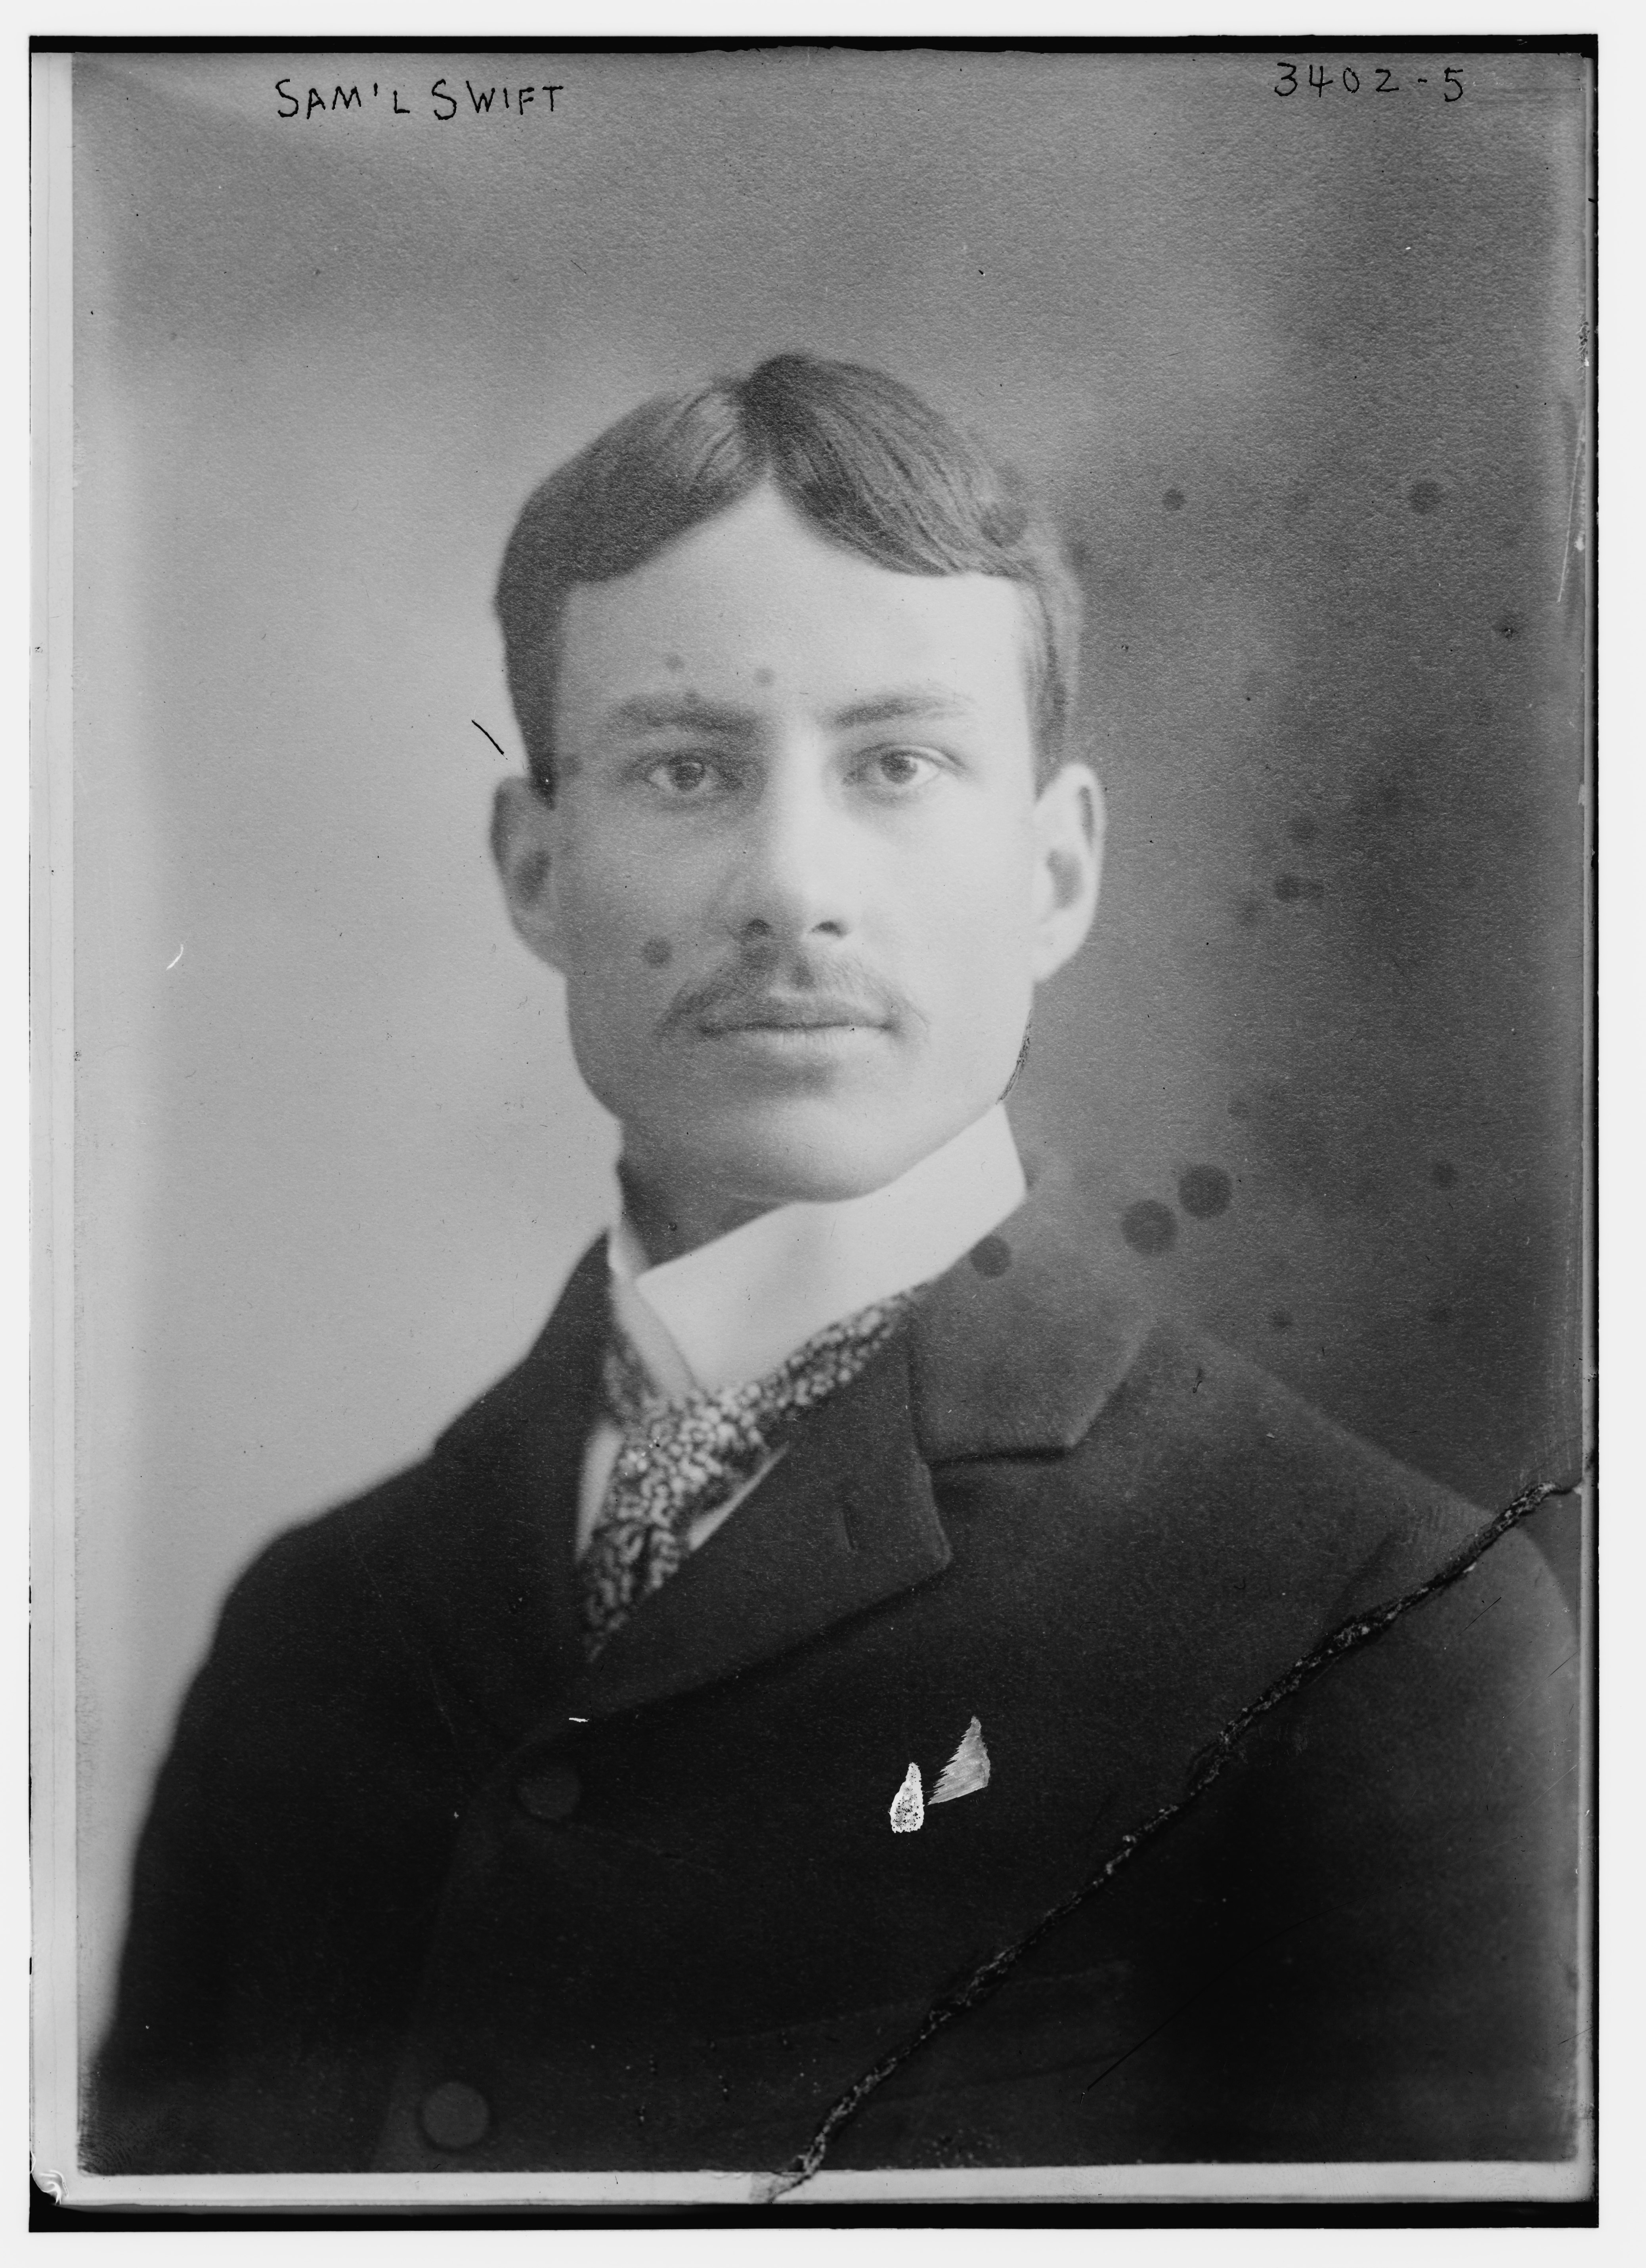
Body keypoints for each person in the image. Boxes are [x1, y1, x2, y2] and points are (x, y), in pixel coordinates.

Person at [89, 354, 1579, 2179]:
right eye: (684, 768)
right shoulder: (313, 1637)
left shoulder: (1374, 1631)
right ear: (537, 868)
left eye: (896, 764)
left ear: (1055, 871)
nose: (791, 886)